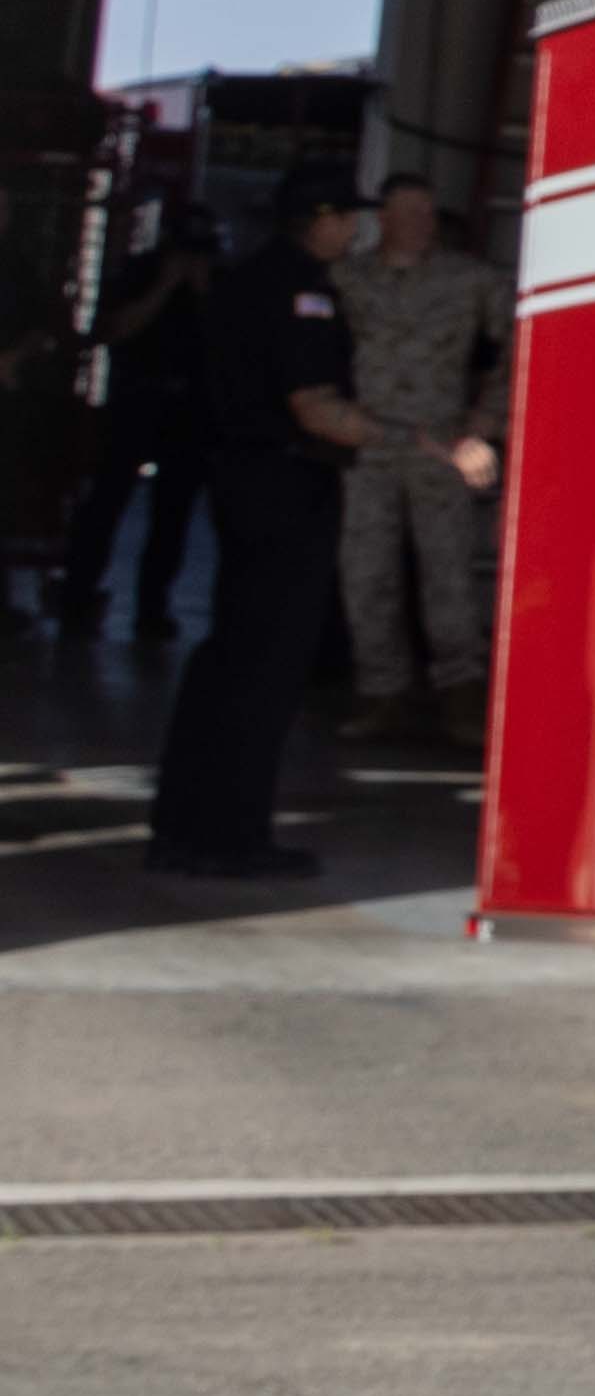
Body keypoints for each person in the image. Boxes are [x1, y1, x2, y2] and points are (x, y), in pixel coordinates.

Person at [143, 184, 362, 879]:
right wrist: (418, 439)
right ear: (320, 218)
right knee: (265, 667)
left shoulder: (241, 278)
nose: (354, 226)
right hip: (285, 481)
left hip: (240, 479)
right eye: (347, 213)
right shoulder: (302, 290)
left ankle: (182, 826)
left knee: (227, 657)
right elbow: (313, 405)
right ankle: (230, 835)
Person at [330, 178, 506, 745]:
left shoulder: (471, 280)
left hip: (441, 447)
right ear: (383, 216)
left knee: (448, 575)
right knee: (366, 574)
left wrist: (484, 425)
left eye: (430, 212)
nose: (423, 223)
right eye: (411, 212)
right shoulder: (346, 279)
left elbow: (515, 350)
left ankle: (461, 696)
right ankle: (381, 693)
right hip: (367, 447)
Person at [43, 221, 211, 645]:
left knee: (171, 516)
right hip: (136, 402)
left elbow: (231, 344)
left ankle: (152, 608)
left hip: (188, 412)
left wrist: (204, 289)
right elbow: (112, 330)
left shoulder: (217, 284)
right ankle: (79, 595)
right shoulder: (139, 274)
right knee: (105, 503)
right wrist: (163, 286)